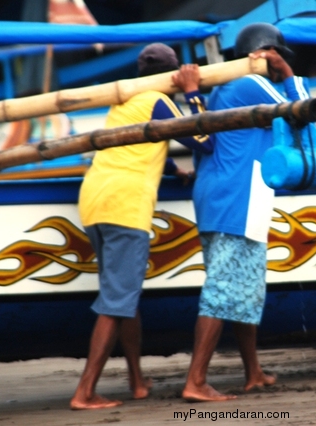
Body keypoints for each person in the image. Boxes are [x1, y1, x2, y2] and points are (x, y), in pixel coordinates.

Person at [70, 43, 212, 410]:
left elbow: (136, 146)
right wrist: (193, 92)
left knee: (124, 296)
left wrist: (172, 171)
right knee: (117, 302)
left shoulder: (124, 100)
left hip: (95, 199)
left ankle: (136, 381)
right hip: (125, 206)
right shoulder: (157, 99)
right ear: (172, 75)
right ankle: (85, 392)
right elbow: (204, 138)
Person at [182, 23, 311, 402]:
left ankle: (252, 372)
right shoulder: (250, 84)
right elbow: (303, 110)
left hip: (231, 197)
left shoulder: (226, 89)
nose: (278, 66)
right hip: (235, 199)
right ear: (265, 55)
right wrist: (288, 74)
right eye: (276, 59)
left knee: (244, 289)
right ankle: (196, 381)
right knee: (223, 290)